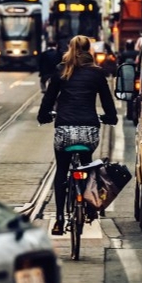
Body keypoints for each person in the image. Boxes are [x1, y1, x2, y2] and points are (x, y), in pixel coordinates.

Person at [37, 35, 119, 235]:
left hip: (64, 129)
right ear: (89, 50)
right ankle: (89, 208)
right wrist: (110, 117)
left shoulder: (61, 70)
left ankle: (58, 219)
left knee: (62, 170)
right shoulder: (97, 74)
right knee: (88, 167)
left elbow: (49, 99)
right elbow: (107, 101)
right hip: (89, 131)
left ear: (70, 48)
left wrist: (44, 116)